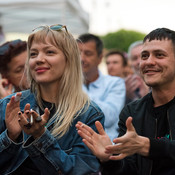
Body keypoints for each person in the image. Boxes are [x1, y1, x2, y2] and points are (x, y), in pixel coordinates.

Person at [0, 24, 104, 175]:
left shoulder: (88, 114)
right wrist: (10, 136)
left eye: (49, 52)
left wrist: (41, 137)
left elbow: (81, 170)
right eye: (34, 54)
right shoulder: (9, 105)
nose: (39, 59)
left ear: (69, 59)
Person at [76, 28, 175, 175]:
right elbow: (128, 170)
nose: (149, 62)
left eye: (159, 55)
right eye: (145, 56)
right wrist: (108, 158)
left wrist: (147, 146)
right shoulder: (132, 112)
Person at [77, 33, 126, 141]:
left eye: (88, 53)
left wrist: (77, 94)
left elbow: (109, 118)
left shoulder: (115, 83)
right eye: (78, 53)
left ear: (100, 58)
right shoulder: (67, 84)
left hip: (106, 150)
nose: (81, 58)